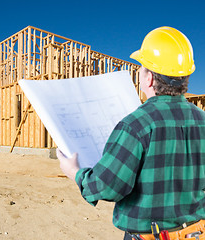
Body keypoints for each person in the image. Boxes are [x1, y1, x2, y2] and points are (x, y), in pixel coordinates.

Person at [57, 26, 205, 240]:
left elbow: (108, 185)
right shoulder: (202, 121)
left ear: (150, 78)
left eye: (142, 67)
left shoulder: (136, 125)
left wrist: (75, 173)